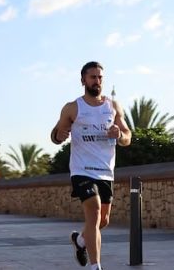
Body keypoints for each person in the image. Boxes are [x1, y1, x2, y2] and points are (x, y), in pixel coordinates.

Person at [51, 61, 132, 270]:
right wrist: (59, 135)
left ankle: (80, 241)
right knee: (94, 213)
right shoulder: (73, 108)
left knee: (102, 221)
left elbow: (127, 137)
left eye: (100, 77)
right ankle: (95, 267)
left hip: (105, 171)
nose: (97, 81)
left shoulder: (113, 107)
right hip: (82, 170)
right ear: (83, 80)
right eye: (93, 77)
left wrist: (119, 135)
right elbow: (56, 135)